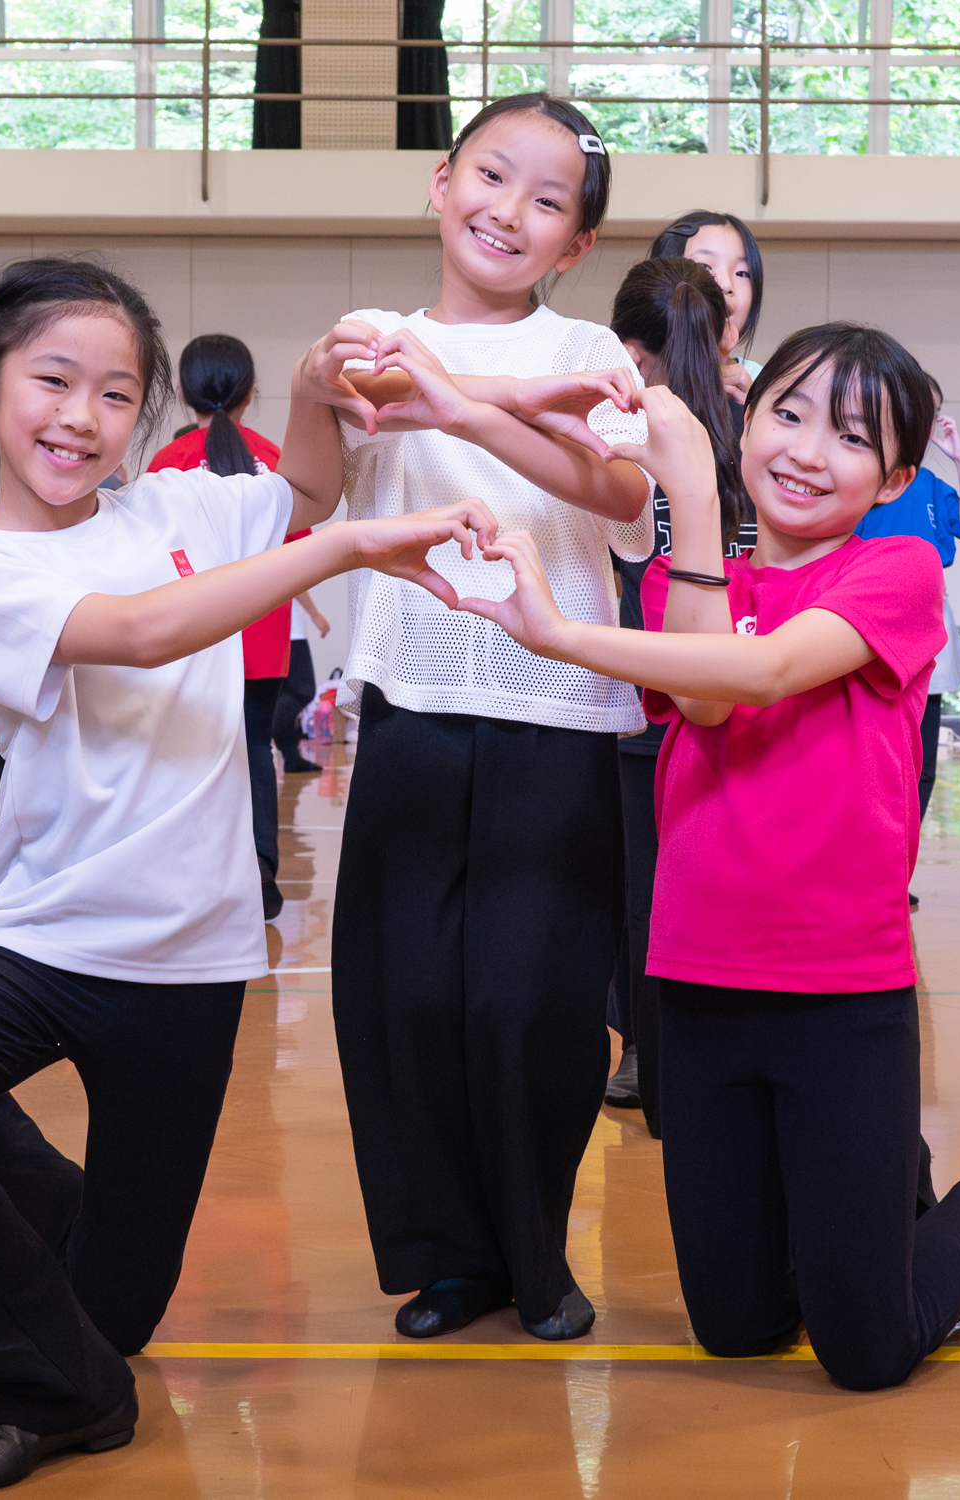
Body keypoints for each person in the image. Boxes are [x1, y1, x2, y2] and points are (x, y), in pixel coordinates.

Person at [0, 255, 502, 1495]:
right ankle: (44, 1390)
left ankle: (71, 1312)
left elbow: (305, 485)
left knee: (110, 1315)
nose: (81, 418)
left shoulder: (181, 511)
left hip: (190, 966)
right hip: (42, 942)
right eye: (53, 382)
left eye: (117, 394)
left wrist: (311, 383)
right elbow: (137, 632)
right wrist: (344, 550)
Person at [456, 326, 960, 1393]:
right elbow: (701, 694)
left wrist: (555, 633)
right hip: (697, 989)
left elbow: (763, 670)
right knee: (736, 1330)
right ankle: (871, 1197)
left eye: (853, 437)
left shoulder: (895, 571)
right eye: (788, 413)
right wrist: (685, 494)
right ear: (745, 425)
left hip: (842, 996)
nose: (808, 451)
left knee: (864, 1353)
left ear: (897, 478)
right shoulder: (693, 582)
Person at [282, 92, 656, 1343]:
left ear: (575, 245)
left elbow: (620, 495)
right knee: (406, 998)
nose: (509, 211)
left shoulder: (590, 352)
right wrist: (311, 389)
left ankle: (535, 1254)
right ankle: (448, 1259)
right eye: (491, 177)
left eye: (547, 202)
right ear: (440, 184)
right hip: (414, 702)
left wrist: (462, 404)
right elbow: (312, 494)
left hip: (558, 708)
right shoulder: (373, 339)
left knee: (530, 1004)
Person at [601, 254, 758, 1134]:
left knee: (641, 900)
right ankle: (708, 1072)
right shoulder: (746, 428)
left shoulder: (620, 428)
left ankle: (649, 1064)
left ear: (629, 347)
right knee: (716, 888)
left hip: (640, 697)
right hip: (734, 682)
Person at [146, 332, 300, 920]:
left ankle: (199, 877)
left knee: (191, 754)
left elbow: (154, 557)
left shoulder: (168, 465)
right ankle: (261, 870)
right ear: (251, 391)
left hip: (195, 638)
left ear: (183, 393)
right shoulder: (275, 460)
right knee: (255, 748)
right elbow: (298, 549)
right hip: (264, 639)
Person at [856, 374, 960, 830]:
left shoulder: (930, 484)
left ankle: (903, 854)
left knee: (921, 759)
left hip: (928, 614)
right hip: (870, 614)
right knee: (872, 748)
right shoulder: (864, 478)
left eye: (932, 411)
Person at [647, 209, 765, 399]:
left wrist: (754, 409)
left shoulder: (762, 382)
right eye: (704, 267)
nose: (726, 285)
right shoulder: (635, 372)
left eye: (742, 273)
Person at [273, 590, 330, 773]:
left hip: (277, 628)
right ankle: (284, 750)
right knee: (301, 690)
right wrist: (315, 614)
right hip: (289, 629)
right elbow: (293, 584)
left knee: (283, 692)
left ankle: (291, 756)